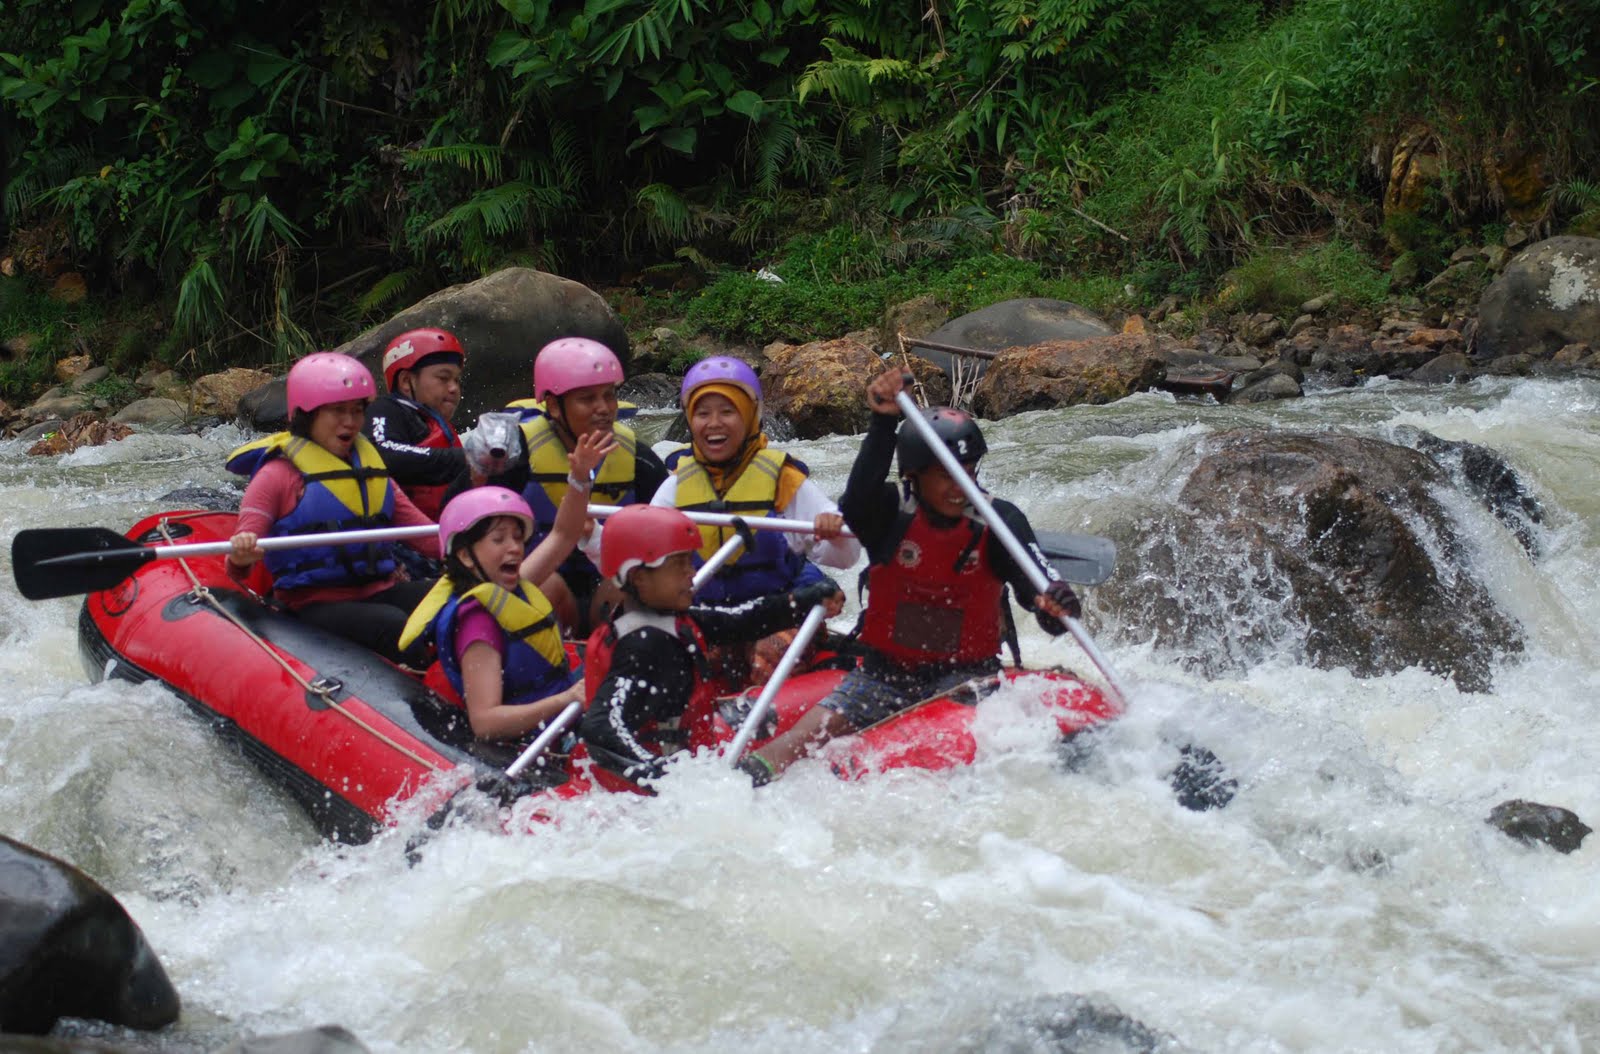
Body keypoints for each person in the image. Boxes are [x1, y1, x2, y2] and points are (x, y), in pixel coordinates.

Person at [737, 368, 1081, 786]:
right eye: (945, 474)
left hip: (969, 679)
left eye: (967, 471)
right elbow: (857, 500)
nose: (960, 486)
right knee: (792, 743)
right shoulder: (888, 512)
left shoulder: (1000, 519)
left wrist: (1054, 605)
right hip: (883, 675)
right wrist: (882, 421)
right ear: (914, 476)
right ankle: (740, 785)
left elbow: (1038, 588)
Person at [579, 504, 845, 788]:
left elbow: (741, 620)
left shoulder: (672, 619)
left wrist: (803, 600)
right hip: (644, 799)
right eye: (678, 564)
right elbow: (601, 727)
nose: (690, 572)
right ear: (638, 577)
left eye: (689, 562)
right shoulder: (642, 645)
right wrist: (661, 778)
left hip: (683, 766)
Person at [653, 356, 861, 685]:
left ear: (750, 416)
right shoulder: (676, 486)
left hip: (781, 613)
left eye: (727, 411)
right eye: (702, 413)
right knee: (673, 663)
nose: (714, 423)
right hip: (715, 618)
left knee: (767, 660)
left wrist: (833, 534)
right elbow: (646, 558)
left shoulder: (784, 480)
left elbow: (845, 558)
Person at [396, 429, 615, 742]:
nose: (514, 547)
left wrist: (579, 479)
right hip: (541, 734)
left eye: (516, 537)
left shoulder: (513, 584)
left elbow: (564, 534)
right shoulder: (476, 624)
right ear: (465, 556)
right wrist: (566, 699)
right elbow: (485, 722)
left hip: (563, 712)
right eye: (498, 539)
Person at [225, 353, 441, 666]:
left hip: (378, 591)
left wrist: (474, 543)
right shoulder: (277, 476)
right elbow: (238, 563)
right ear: (305, 414)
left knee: (452, 598)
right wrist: (241, 555)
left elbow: (427, 537)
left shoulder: (370, 470)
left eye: (357, 411)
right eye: (338, 411)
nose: (350, 422)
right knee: (393, 623)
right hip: (312, 605)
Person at [472, 337, 669, 637]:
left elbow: (668, 536)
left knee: (635, 583)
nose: (603, 409)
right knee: (547, 586)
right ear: (554, 406)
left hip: (605, 591)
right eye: (587, 399)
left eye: (609, 396)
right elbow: (472, 532)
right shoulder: (517, 457)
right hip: (541, 588)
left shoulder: (639, 459)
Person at [364, 327, 468, 522]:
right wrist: (465, 458)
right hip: (403, 544)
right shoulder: (386, 409)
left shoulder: (439, 426)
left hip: (448, 536)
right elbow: (380, 452)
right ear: (406, 381)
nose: (454, 388)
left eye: (456, 380)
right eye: (443, 378)